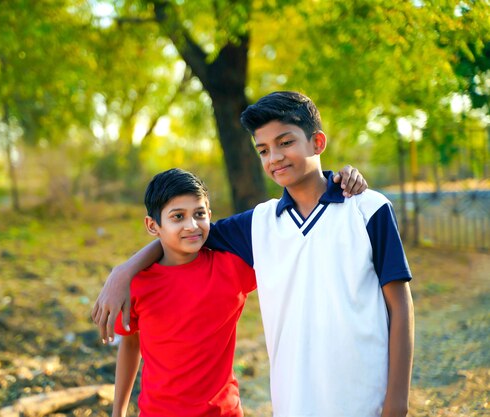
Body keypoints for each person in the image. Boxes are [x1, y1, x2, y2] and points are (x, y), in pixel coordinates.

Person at [94, 92, 413, 417]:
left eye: (285, 143)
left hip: (366, 397)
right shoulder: (259, 224)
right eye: (263, 150)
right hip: (293, 402)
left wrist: (397, 403)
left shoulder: (368, 209)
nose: (274, 157)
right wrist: (124, 271)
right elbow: (183, 238)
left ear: (317, 142)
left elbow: (400, 305)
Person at [111, 168, 257, 417]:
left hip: (222, 413)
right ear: (152, 225)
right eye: (178, 217)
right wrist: (118, 412)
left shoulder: (231, 267)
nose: (192, 226)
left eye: (199, 214)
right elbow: (130, 344)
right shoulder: (137, 285)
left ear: (209, 215)